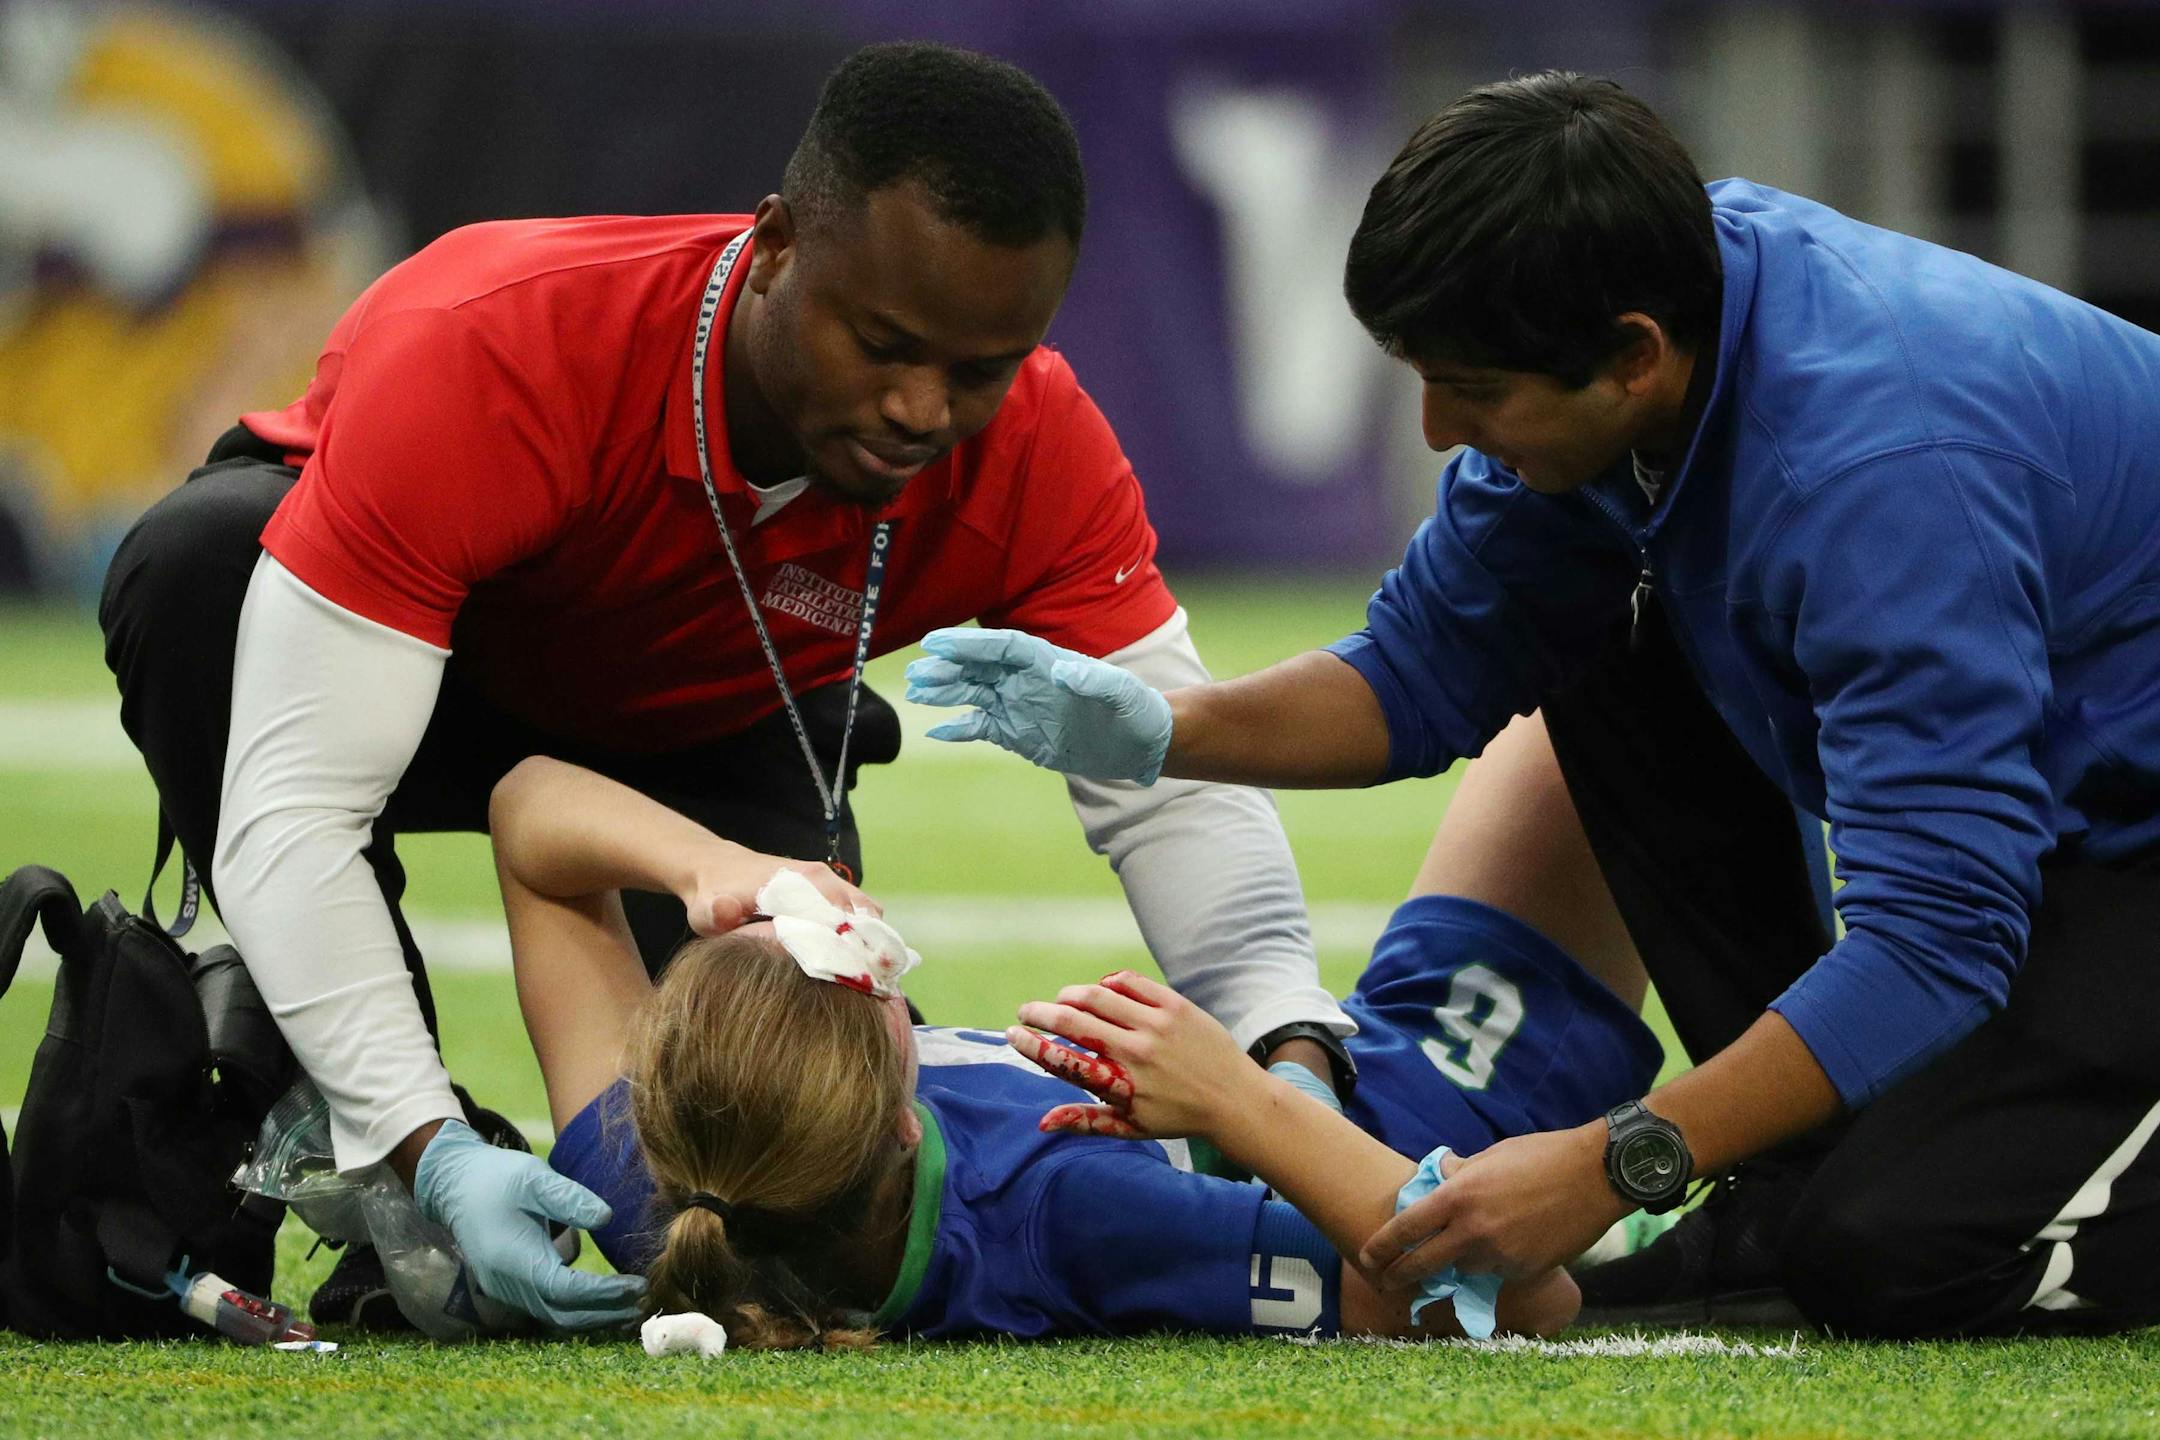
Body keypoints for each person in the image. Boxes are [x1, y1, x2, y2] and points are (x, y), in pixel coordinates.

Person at [94, 41, 1349, 1332]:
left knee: (800, 1174)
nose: (925, 408)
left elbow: (1167, 779)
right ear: (776, 246)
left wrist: (1283, 1051)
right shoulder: (494, 341)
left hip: (713, 720)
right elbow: (295, 802)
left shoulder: (1035, 437)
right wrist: (424, 1148)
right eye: (885, 345)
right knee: (199, 573)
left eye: (979, 369)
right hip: (424, 677)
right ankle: (363, 1141)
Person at [903, 71, 2160, 1339]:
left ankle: (1847, 1187)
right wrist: (1172, 729)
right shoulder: (1643, 301)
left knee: (1895, 1259)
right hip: (2068, 811)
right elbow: (1421, 670)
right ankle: (1795, 1169)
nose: (1443, 429)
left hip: (2128, 842)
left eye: (1475, 390)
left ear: (1633, 358)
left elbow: (1942, 934)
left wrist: (1616, 1162)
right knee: (1605, 638)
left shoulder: (1885, 475)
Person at [490, 754, 1655, 1345]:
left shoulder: (656, 1175)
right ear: (907, 1117)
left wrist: (713, 870)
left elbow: (529, 808)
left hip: (1350, 1084)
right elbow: (1511, 1297)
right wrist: (1246, 1096)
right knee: (1623, 698)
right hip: (1446, 1110)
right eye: (858, 967)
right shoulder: (1058, 1205)